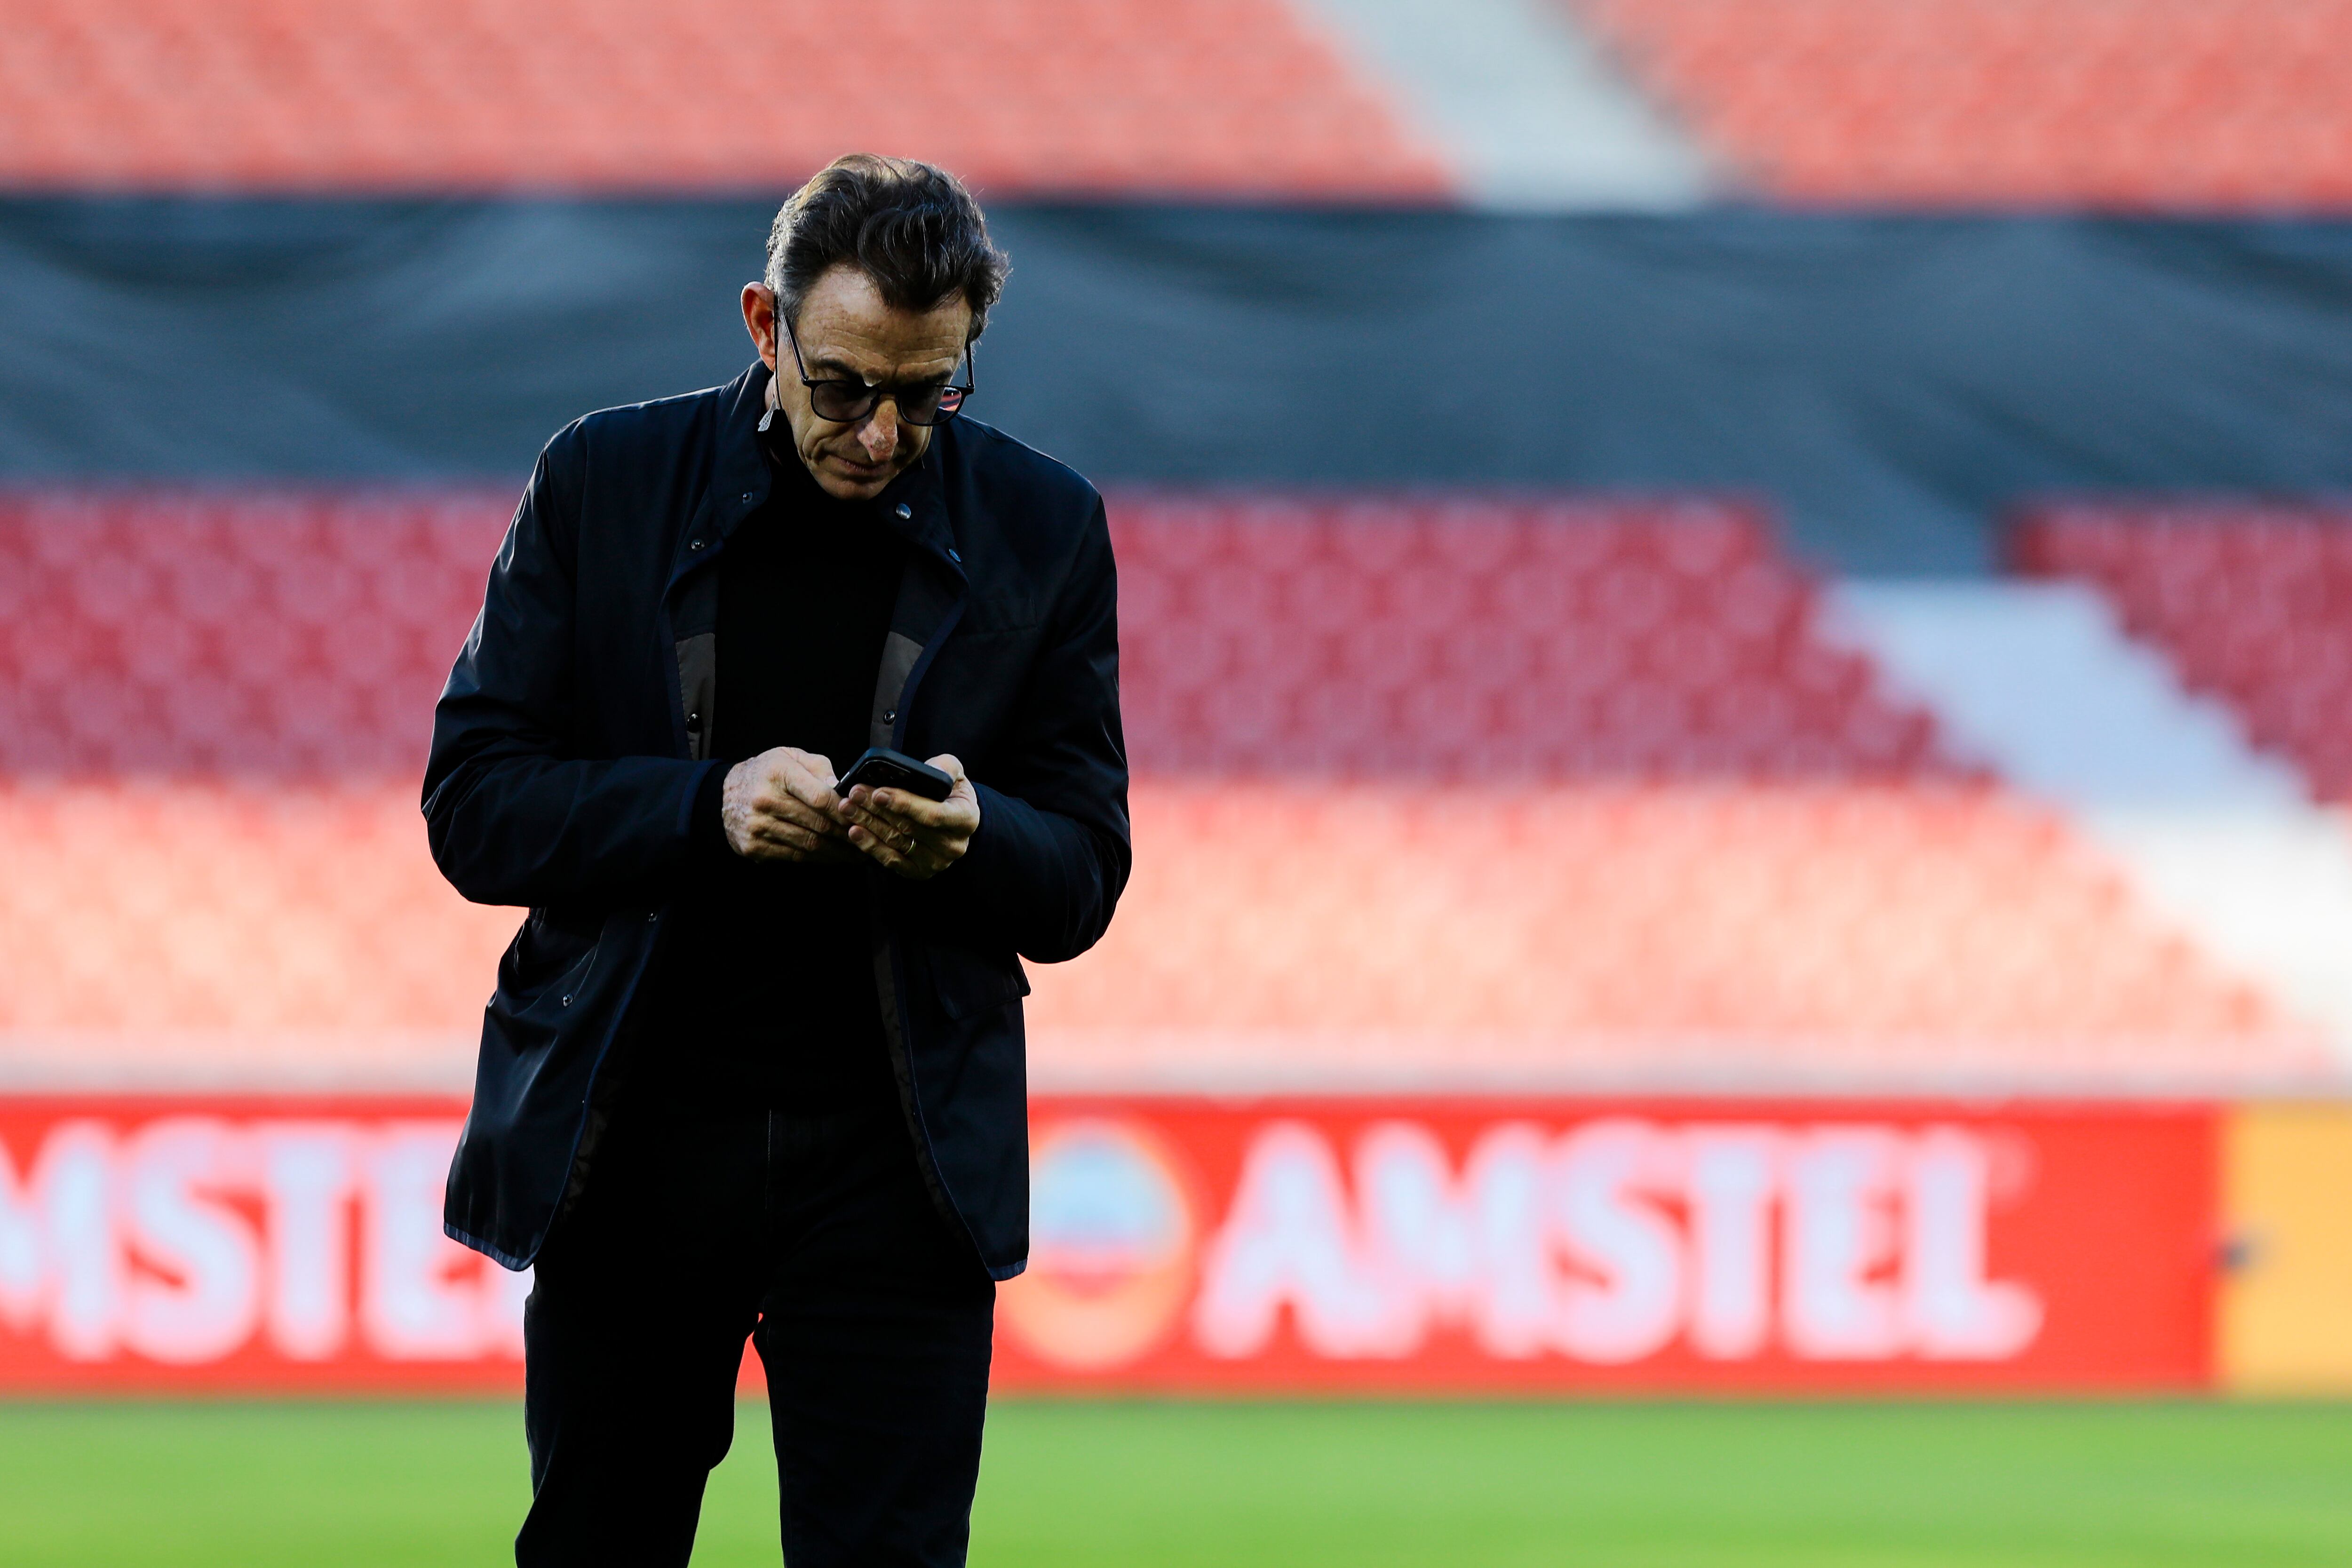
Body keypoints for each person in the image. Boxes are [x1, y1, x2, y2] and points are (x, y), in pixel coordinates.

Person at [421, 153, 1129, 1567]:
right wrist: (705, 809)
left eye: (930, 394)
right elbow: (474, 805)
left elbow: (1084, 872)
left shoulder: (1046, 527)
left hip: (901, 1167)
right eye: (846, 384)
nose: (880, 434)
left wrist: (976, 837)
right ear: (765, 325)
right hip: (633, 1146)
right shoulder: (601, 482)